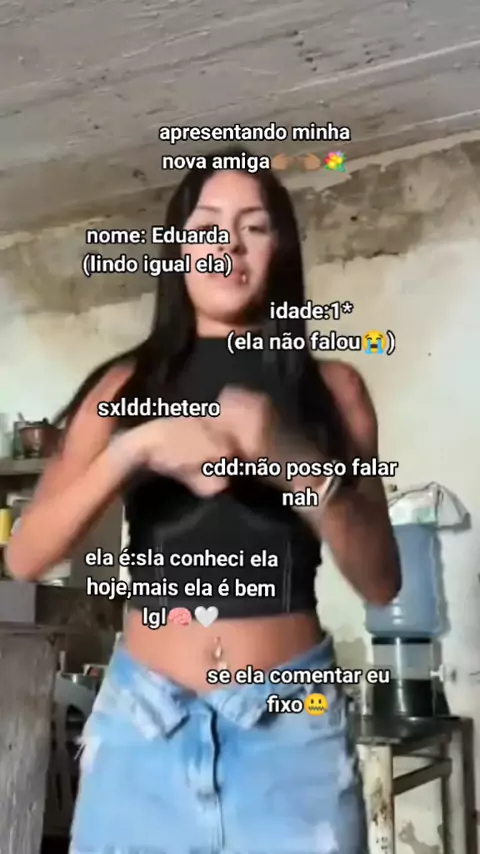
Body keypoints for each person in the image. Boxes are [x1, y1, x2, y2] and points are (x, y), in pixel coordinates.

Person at [6, 146, 400, 854]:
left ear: (279, 248)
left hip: (292, 731)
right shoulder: (122, 386)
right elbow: (26, 556)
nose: (228, 243)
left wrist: (291, 459)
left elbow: (382, 580)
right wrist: (134, 449)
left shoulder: (333, 390)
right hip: (142, 729)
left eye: (253, 226)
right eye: (208, 224)